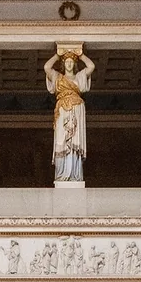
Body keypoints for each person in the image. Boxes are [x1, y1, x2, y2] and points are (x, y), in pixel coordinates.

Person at [44, 48, 95, 185]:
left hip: (76, 107)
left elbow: (91, 66)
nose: (69, 64)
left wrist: (80, 54)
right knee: (62, 141)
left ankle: (75, 174)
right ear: (63, 64)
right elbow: (47, 67)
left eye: (71, 62)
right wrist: (57, 54)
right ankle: (62, 174)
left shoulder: (79, 77)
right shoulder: (57, 77)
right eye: (67, 62)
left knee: (74, 141)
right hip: (62, 109)